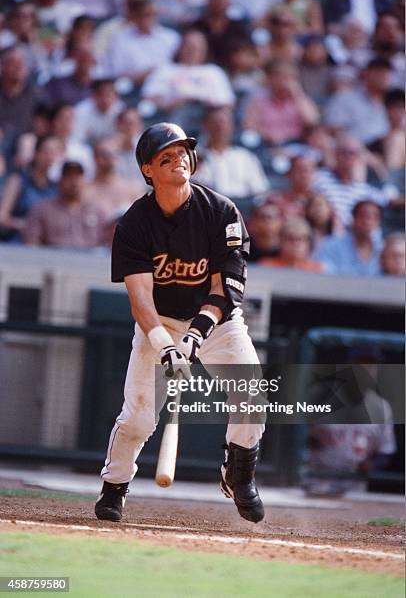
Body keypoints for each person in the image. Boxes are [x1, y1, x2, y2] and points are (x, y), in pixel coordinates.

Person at [94, 122, 265, 524]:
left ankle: (238, 474)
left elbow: (227, 289)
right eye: (165, 157)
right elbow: (140, 298)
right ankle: (115, 486)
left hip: (216, 322)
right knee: (138, 417)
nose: (178, 161)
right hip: (161, 321)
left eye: (183, 153)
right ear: (147, 171)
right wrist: (165, 343)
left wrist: (194, 337)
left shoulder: (221, 212)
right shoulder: (135, 224)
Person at [23, 160, 105, 248]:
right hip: (53, 259)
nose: (74, 182)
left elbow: (106, 242)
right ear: (60, 180)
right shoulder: (42, 210)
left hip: (90, 259)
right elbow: (32, 242)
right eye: (68, 176)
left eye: (78, 177)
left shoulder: (96, 211)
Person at [195, 106, 269, 198]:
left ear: (232, 126)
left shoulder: (245, 157)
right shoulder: (195, 157)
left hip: (243, 208)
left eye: (225, 123)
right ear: (205, 126)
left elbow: (260, 191)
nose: (221, 127)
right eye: (215, 123)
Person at [242, 60, 319, 146]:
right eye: (281, 77)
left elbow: (312, 122)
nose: (286, 82)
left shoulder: (301, 98)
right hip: (266, 145)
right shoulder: (258, 99)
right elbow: (249, 126)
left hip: (297, 143)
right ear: (270, 79)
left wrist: (297, 95)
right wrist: (268, 135)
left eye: (291, 77)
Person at [0, 135, 60, 242]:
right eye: (46, 152)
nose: (49, 157)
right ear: (36, 153)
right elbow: (2, 217)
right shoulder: (18, 181)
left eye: (53, 153)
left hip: (45, 247)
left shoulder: (55, 188)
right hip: (17, 243)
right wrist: (25, 225)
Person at [314, 200, 383, 276]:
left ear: (378, 222)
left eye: (374, 218)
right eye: (363, 216)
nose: (367, 222)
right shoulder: (331, 246)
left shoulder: (382, 249)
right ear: (353, 218)